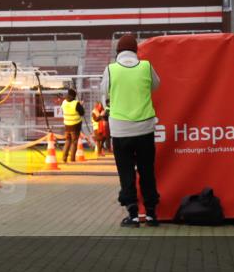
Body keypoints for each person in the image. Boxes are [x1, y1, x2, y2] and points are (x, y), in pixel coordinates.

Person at [100, 33, 161, 228]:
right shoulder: (146, 66)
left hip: (120, 130)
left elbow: (104, 91)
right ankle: (151, 214)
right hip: (145, 128)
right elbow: (156, 85)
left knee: (126, 172)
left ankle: (133, 214)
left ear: (118, 52)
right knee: (147, 170)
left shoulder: (111, 69)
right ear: (136, 51)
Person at [60, 88, 85, 163]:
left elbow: (62, 110)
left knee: (67, 141)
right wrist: (81, 105)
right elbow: (82, 113)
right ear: (74, 96)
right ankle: (72, 159)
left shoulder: (64, 102)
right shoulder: (76, 103)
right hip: (75, 126)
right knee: (74, 142)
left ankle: (64, 158)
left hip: (67, 125)